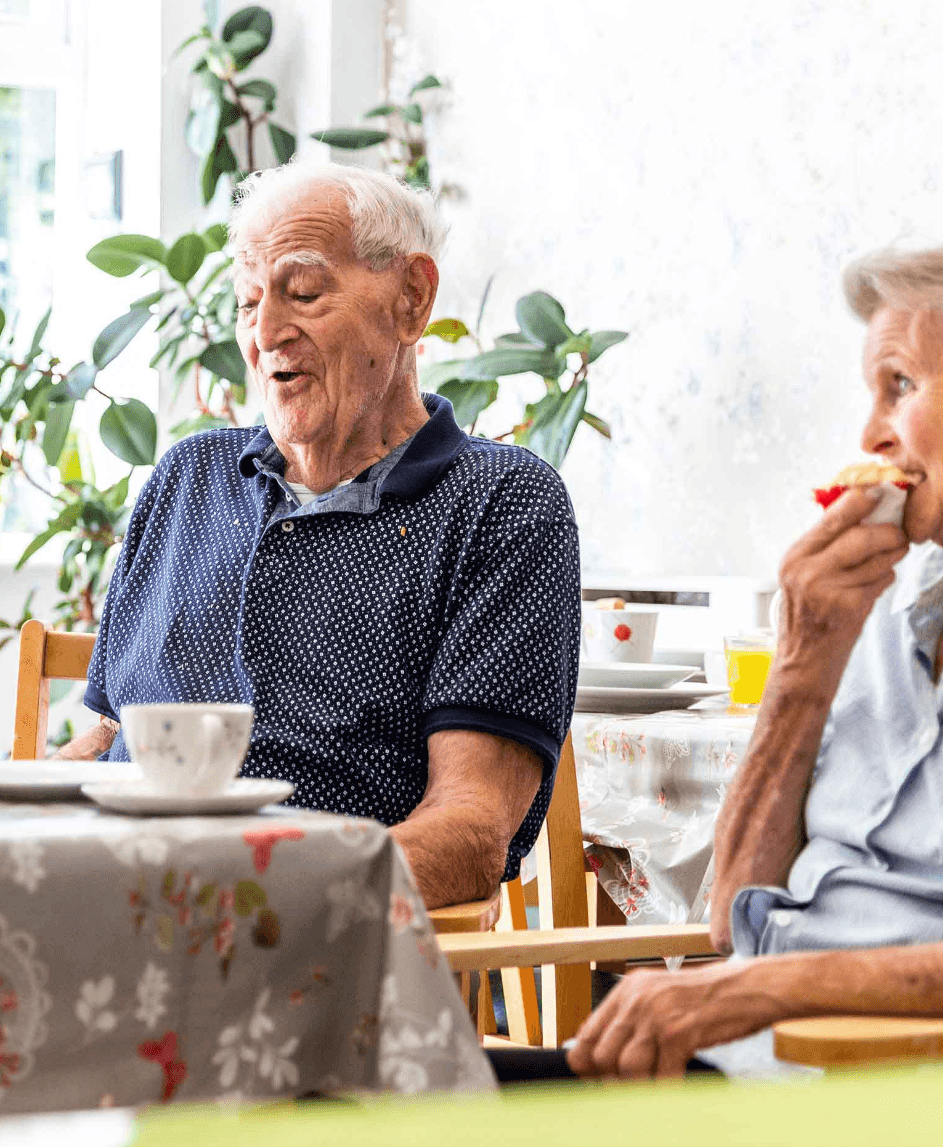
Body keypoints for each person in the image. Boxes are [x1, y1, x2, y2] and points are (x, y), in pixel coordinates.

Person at [569, 215, 943, 1079]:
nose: (871, 434)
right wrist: (806, 658)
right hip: (741, 1063)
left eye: (900, 385)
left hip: (895, 1104)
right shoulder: (898, 606)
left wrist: (762, 992)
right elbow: (733, 914)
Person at [61, 161, 580, 908]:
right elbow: (104, 741)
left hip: (306, 946)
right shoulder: (186, 479)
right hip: (105, 908)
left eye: (303, 293)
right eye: (248, 302)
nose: (266, 332)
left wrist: (260, 900)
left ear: (411, 300)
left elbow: (469, 832)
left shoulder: (500, 505)